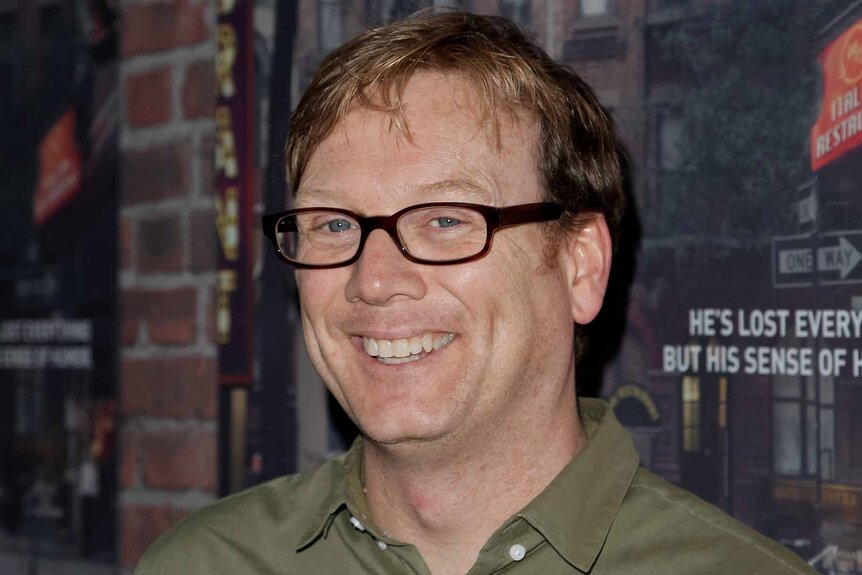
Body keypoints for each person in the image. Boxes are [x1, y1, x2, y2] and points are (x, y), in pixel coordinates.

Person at [136, 11, 816, 575]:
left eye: (446, 220)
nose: (372, 280)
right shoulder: (202, 564)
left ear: (580, 266)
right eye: (334, 224)